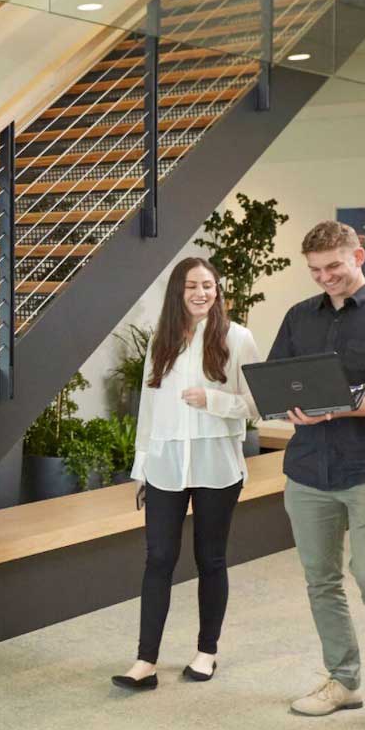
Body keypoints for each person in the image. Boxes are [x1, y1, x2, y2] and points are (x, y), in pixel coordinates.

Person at [268, 221, 365, 730]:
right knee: (321, 579)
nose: (326, 277)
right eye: (315, 270)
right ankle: (343, 680)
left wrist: (336, 408)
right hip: (308, 469)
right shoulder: (298, 316)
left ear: (359, 255)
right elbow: (277, 380)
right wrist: (288, 403)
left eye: (334, 266)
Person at [112, 258, 258, 691]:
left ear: (218, 290)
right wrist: (142, 466)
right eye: (192, 285)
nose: (200, 293)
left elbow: (258, 404)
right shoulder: (162, 339)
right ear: (178, 290)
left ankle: (206, 652)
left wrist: (214, 400)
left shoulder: (238, 338)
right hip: (165, 466)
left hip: (217, 465)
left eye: (208, 285)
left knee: (210, 559)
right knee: (157, 559)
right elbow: (149, 410)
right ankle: (144, 662)